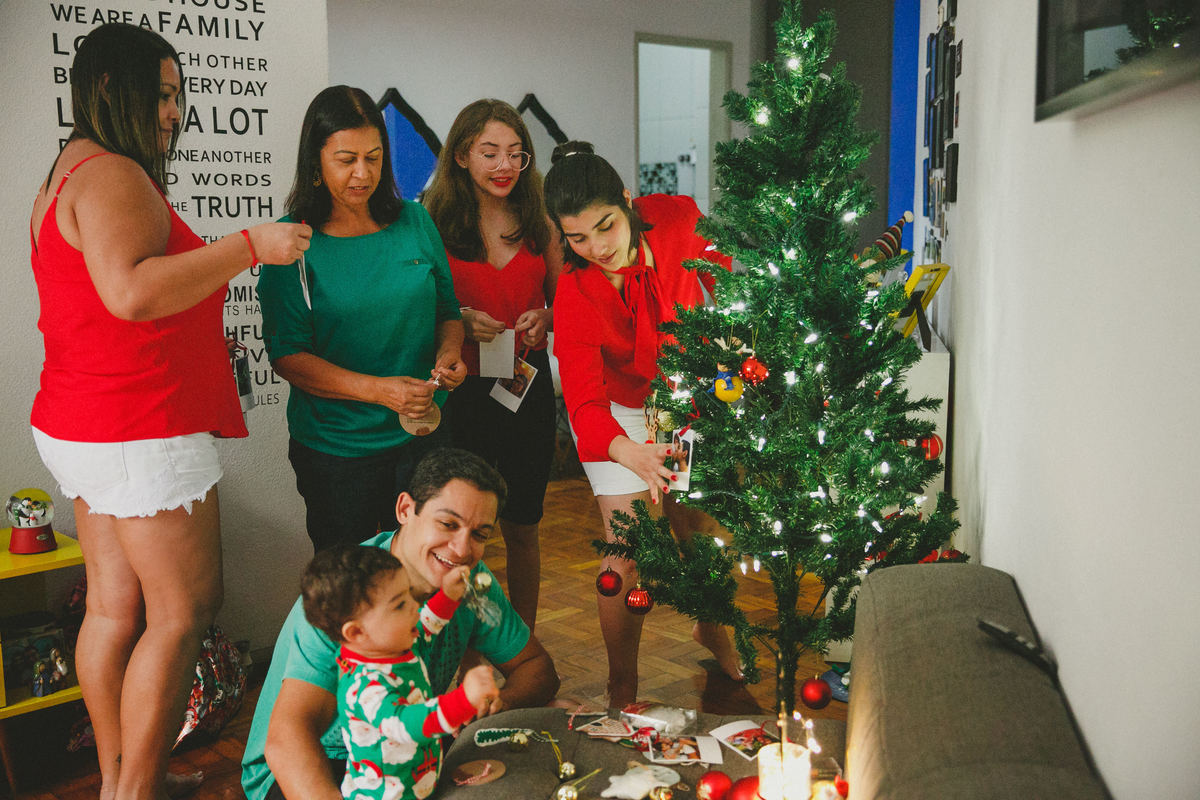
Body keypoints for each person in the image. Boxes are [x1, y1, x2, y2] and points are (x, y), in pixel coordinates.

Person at [27, 23, 310, 800]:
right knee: (183, 613)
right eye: (160, 95)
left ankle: (122, 779)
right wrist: (250, 245)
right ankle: (137, 790)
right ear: (111, 90)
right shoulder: (114, 174)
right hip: (136, 425)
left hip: (82, 420)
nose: (173, 113)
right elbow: (133, 292)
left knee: (115, 610)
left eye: (178, 96)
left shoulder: (69, 171)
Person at [544, 141, 743, 708]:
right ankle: (622, 680)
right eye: (577, 238)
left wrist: (726, 331)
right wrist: (630, 453)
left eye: (605, 226)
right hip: (618, 412)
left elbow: (722, 269)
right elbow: (582, 403)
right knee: (628, 548)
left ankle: (714, 628)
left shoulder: (677, 217)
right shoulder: (574, 290)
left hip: (683, 396)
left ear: (627, 202)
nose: (596, 247)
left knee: (694, 526)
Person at [241, 448, 560, 800]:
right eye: (448, 524)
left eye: (480, 534)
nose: (461, 549)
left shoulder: (467, 583)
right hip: (322, 765)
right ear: (406, 509)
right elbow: (289, 738)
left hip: (408, 757)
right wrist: (456, 707)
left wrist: (487, 709)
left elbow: (536, 668)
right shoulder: (347, 597)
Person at [259, 86, 467, 553]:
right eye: (346, 159)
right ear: (315, 161)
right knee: (354, 591)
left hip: (426, 440)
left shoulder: (415, 222)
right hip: (339, 454)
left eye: (374, 158)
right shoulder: (292, 244)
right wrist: (381, 391)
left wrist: (449, 354)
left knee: (430, 571)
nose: (362, 173)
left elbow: (447, 313)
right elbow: (288, 356)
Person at [423, 99, 563, 631]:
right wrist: (458, 317)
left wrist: (546, 318)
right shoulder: (431, 223)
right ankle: (462, 639)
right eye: (490, 153)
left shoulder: (539, 224)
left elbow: (567, 304)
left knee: (524, 524)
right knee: (460, 528)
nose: (505, 166)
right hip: (460, 394)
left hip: (525, 387)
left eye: (516, 154)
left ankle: (520, 643)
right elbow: (418, 308)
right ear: (461, 156)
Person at [300, 545, 499, 800]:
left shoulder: (389, 645)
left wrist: (448, 596)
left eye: (408, 595)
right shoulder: (364, 687)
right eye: (399, 605)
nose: (414, 606)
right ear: (357, 632)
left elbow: (426, 623)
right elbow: (404, 724)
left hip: (417, 783)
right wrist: (462, 700)